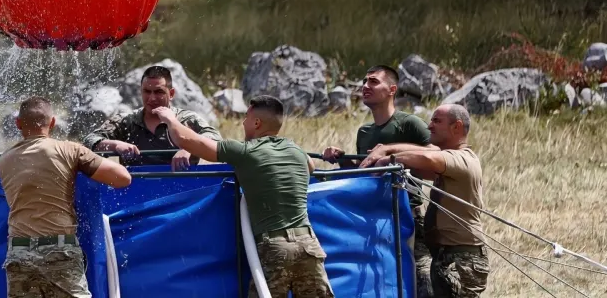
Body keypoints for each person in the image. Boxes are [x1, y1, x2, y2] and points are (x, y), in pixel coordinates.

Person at [154, 96, 334, 298]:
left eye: (246, 117)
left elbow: (188, 141)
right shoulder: (296, 151)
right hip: (309, 244)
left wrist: (170, 119)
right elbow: (311, 166)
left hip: (275, 248)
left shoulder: (245, 151)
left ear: (257, 123)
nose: (242, 122)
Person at [0, 96, 132, 298]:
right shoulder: (68, 150)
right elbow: (122, 178)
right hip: (59, 252)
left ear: (18, 123)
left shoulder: (4, 160)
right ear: (52, 123)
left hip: (18, 253)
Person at [323, 65, 433, 295]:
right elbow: (364, 175)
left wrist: (392, 152)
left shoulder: (410, 124)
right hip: (371, 218)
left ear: (392, 89)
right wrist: (342, 160)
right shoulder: (364, 132)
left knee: (420, 280)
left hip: (406, 215)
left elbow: (437, 154)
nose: (365, 86)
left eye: (373, 82)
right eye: (364, 81)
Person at [365, 104, 488, 298]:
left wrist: (389, 158)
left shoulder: (462, 159)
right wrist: (386, 150)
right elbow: (423, 155)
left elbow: (429, 158)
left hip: (461, 259)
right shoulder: (449, 161)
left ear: (456, 127)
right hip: (448, 256)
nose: (429, 126)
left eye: (437, 121)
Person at [82, 65, 222, 171]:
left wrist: (190, 148)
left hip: (181, 195)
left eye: (159, 92)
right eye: (147, 92)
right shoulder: (126, 121)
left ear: (171, 94)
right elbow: (88, 142)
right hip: (135, 194)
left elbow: (216, 140)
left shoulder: (186, 119)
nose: (152, 98)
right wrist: (116, 145)